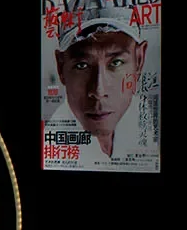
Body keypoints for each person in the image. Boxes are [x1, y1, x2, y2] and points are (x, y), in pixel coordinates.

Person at [46, 10, 149, 163]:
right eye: (82, 65)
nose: (99, 91)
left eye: (116, 63)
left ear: (139, 60)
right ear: (61, 67)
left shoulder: (147, 125)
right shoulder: (52, 146)